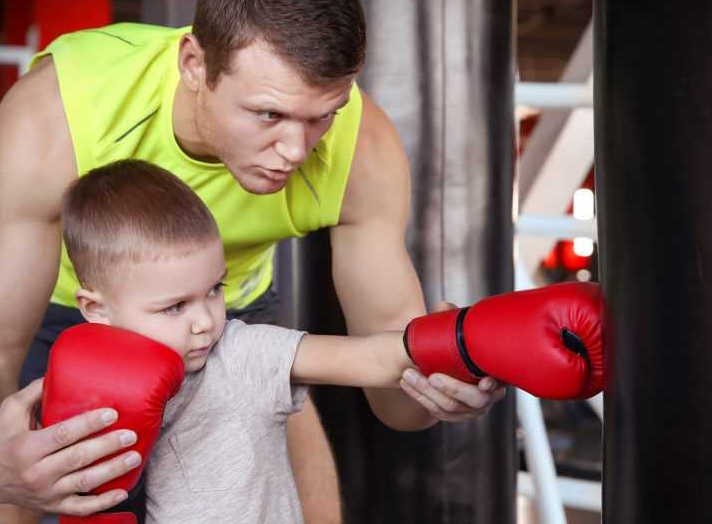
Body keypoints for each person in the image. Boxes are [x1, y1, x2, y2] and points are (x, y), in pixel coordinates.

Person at [0, 0, 506, 522]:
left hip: (231, 322)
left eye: (321, 115)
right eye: (269, 115)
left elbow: (395, 387)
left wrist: (439, 384)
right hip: (71, 315)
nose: (296, 150)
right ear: (194, 65)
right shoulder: (63, 110)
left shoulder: (361, 150)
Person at [48, 160, 603, 524]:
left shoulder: (239, 353)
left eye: (214, 291)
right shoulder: (81, 382)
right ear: (96, 309)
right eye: (174, 307)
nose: (204, 321)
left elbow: (369, 357)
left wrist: (470, 344)